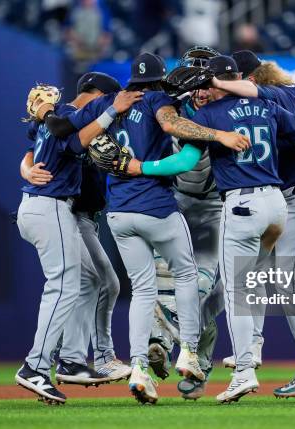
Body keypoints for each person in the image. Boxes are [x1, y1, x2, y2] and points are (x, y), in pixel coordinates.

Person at [44, 52, 250, 404]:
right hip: (161, 206)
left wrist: (44, 117)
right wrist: (220, 135)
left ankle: (139, 365)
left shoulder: (108, 104)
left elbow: (67, 134)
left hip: (121, 213)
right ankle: (186, 352)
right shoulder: (164, 102)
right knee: (189, 279)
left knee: (146, 290)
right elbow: (176, 136)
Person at [124, 55, 295, 403]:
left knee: (218, 290)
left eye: (204, 79)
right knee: (227, 285)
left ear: (215, 82)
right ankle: (227, 348)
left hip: (230, 205)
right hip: (272, 202)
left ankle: (228, 364)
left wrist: (143, 166)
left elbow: (183, 157)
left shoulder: (206, 114)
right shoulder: (266, 104)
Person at [211, 50, 295, 397]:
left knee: (289, 283)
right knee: (256, 274)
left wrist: (219, 82)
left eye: (238, 79)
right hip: (286, 200)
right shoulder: (264, 104)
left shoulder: (281, 92)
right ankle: (250, 347)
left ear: (249, 78)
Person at [13, 75, 140, 405]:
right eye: (106, 98)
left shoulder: (62, 118)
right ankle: (35, 366)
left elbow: (69, 141)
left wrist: (26, 166)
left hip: (48, 207)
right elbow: (66, 133)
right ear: (97, 95)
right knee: (65, 284)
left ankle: (69, 359)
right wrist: (112, 110)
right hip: (51, 206)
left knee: (91, 280)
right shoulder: (67, 114)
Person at [147, 45, 224, 401]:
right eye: (194, 81)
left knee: (203, 289)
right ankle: (160, 343)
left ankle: (200, 360)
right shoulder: (165, 107)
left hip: (216, 209)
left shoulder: (234, 107)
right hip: (174, 203)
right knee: (164, 281)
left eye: (206, 80)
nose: (201, 89)